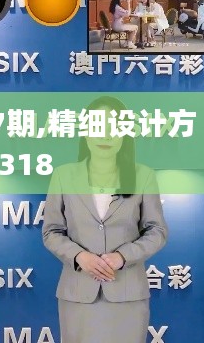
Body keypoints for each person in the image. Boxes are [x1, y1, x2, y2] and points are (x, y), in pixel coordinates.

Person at [42, 96, 168, 343]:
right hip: (78, 294)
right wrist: (80, 256)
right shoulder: (63, 175)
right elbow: (51, 231)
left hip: (127, 295)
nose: (105, 135)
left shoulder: (143, 175)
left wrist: (123, 256)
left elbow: (157, 231)